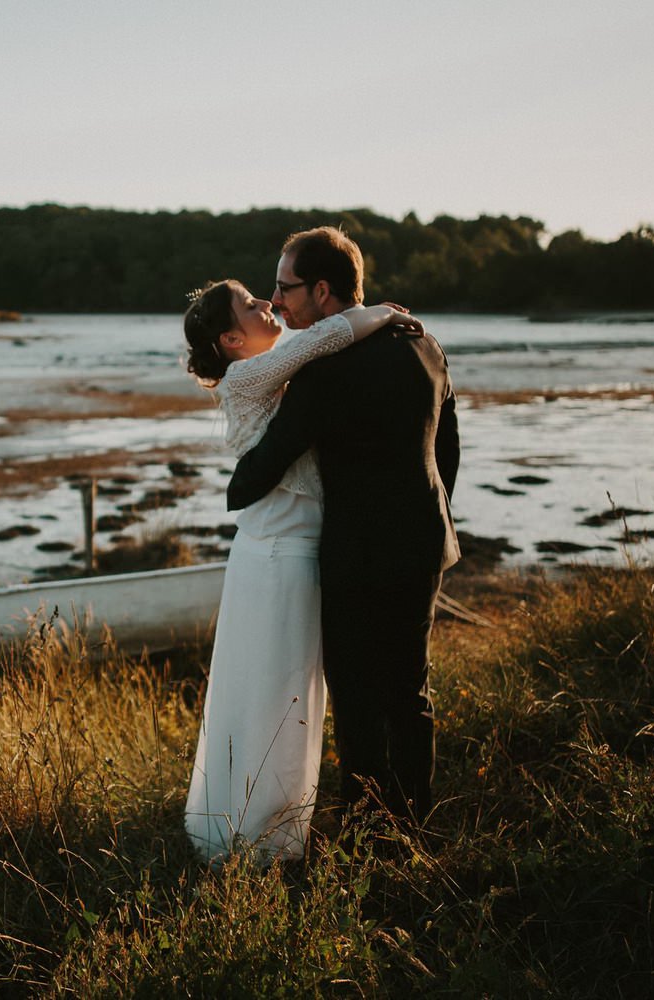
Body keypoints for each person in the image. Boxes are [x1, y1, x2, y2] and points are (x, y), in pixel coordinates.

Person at [182, 278, 421, 864]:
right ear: (234, 338)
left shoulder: (269, 376)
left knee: (280, 689)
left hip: (280, 550)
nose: (268, 303)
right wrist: (382, 312)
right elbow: (328, 335)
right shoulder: (249, 376)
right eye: (251, 304)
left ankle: (258, 822)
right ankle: (265, 840)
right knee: (278, 692)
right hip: (280, 556)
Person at [227, 226, 459, 822]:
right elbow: (446, 447)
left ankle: (368, 831)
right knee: (410, 690)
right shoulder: (424, 344)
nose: (276, 301)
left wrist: (239, 484)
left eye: (285, 289)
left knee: (357, 700)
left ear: (322, 290)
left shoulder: (324, 370)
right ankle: (417, 825)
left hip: (357, 555)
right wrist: (430, 515)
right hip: (424, 540)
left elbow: (273, 457)